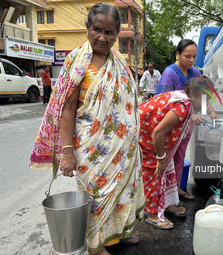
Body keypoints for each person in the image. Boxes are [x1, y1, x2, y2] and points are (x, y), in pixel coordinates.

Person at [29, 3, 145, 255]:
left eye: (109, 32)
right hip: (90, 148)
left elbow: (128, 106)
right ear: (87, 29)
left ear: (116, 34)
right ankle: (95, 245)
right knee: (96, 198)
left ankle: (114, 236)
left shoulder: (120, 64)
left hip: (120, 149)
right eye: (97, 30)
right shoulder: (76, 61)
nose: (102, 37)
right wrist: (67, 152)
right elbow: (67, 110)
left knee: (118, 194)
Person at [139, 75, 215, 229]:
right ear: (193, 94)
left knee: (166, 170)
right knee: (155, 171)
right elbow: (158, 133)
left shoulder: (187, 101)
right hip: (146, 135)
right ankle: (152, 214)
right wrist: (160, 159)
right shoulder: (181, 108)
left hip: (151, 134)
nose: (207, 104)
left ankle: (166, 204)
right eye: (205, 100)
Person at [154, 39, 218, 200]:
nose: (191, 60)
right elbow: (164, 102)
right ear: (178, 54)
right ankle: (162, 194)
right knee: (167, 158)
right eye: (187, 56)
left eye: (194, 57)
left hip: (186, 126)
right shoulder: (170, 73)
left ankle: (175, 189)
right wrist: (191, 114)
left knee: (180, 156)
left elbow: (203, 96)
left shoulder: (195, 73)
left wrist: (211, 112)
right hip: (171, 124)